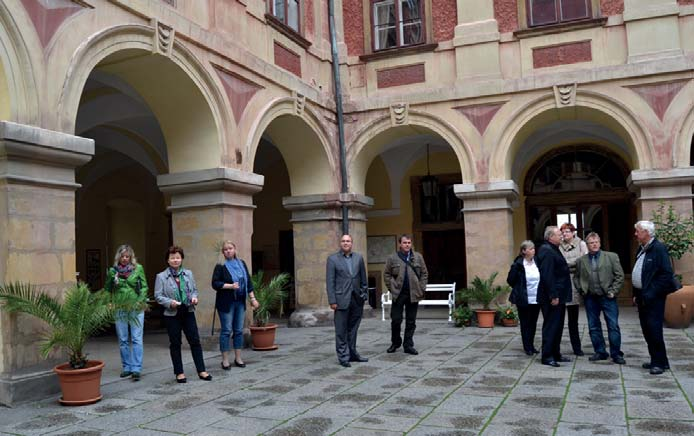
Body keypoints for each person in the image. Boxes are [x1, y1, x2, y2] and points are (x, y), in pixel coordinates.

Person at [154, 246, 212, 383]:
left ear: (182, 259)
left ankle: (202, 370)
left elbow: (195, 290)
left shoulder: (188, 274)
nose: (175, 260)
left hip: (188, 310)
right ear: (167, 260)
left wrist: (194, 297)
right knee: (175, 343)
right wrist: (170, 302)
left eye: (178, 257)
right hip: (172, 314)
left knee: (195, 341)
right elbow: (158, 296)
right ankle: (179, 372)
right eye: (172, 258)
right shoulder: (161, 277)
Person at [632, 220, 677, 375]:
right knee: (647, 330)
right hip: (642, 296)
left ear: (646, 232)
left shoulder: (658, 248)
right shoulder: (642, 248)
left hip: (653, 298)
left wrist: (650, 293)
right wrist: (636, 294)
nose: (636, 234)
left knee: (654, 330)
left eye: (638, 231)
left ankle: (658, 363)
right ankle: (659, 360)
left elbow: (666, 275)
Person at [573, 232, 625, 364]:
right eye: (591, 243)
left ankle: (616, 354)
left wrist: (613, 291)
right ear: (587, 245)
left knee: (613, 325)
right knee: (593, 326)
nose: (594, 244)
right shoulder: (581, 261)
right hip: (590, 298)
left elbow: (619, 276)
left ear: (600, 243)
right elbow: (576, 277)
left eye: (596, 242)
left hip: (608, 297)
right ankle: (600, 351)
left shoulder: (611, 257)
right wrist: (581, 290)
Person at [211, 241, 259, 370]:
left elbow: (248, 283)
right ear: (223, 252)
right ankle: (225, 360)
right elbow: (215, 284)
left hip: (240, 301)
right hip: (226, 303)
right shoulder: (220, 266)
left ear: (235, 249)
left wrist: (253, 299)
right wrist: (230, 286)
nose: (228, 251)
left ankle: (238, 358)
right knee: (226, 331)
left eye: (230, 248)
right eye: (225, 249)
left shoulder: (241, 264)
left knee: (238, 330)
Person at [104, 244, 148, 381]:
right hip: (120, 307)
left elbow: (144, 287)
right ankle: (127, 367)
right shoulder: (112, 271)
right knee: (123, 339)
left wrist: (139, 301)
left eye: (127, 256)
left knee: (136, 338)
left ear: (131, 257)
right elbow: (107, 289)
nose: (124, 259)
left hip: (136, 308)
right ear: (119, 257)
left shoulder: (138, 268)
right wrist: (108, 302)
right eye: (122, 256)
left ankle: (136, 368)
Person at [325, 234, 369, 367]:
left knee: (353, 329)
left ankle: (353, 353)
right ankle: (343, 357)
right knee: (341, 330)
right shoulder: (332, 259)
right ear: (340, 243)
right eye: (343, 241)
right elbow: (330, 282)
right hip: (340, 300)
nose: (346, 243)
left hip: (357, 300)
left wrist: (364, 295)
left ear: (352, 243)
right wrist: (332, 300)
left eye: (348, 241)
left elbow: (363, 279)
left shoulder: (358, 258)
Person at [384, 234, 428, 355]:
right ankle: (395, 342)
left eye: (409, 242)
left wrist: (422, 287)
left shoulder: (418, 257)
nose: (407, 245)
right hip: (398, 294)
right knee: (396, 320)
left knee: (411, 321)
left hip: (413, 294)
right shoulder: (392, 258)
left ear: (411, 244)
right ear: (400, 244)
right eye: (404, 243)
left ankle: (408, 345)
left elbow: (424, 273)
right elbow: (387, 274)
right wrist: (392, 288)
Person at [536, 226, 572, 367]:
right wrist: (553, 295)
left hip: (559, 295)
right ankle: (547, 356)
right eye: (558, 234)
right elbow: (547, 275)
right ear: (550, 237)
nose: (561, 236)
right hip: (551, 296)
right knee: (551, 326)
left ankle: (556, 353)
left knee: (558, 326)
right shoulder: (547, 250)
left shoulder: (553, 248)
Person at [507, 240, 541, 356]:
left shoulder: (537, 261)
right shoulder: (518, 264)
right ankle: (527, 347)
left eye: (534, 248)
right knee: (525, 323)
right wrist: (520, 288)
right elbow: (510, 280)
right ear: (523, 251)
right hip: (524, 298)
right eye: (530, 249)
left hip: (536, 298)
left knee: (533, 323)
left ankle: (531, 345)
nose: (533, 251)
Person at [559, 223, 588, 356]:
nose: (565, 234)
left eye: (567, 232)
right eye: (563, 232)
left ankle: (577, 347)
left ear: (573, 232)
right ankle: (556, 347)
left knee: (573, 319)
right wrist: (571, 264)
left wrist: (568, 264)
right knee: (558, 318)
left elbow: (583, 261)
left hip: (575, 282)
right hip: (562, 282)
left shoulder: (581, 244)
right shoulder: (559, 246)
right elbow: (559, 263)